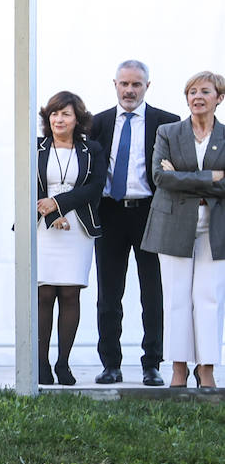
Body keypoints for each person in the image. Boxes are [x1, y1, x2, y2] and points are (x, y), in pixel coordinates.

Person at [89, 61, 179, 386]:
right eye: (124, 84)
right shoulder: (97, 123)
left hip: (150, 214)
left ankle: (152, 363)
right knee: (108, 294)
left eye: (136, 85)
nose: (129, 90)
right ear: (114, 84)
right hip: (110, 214)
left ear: (147, 86)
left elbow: (180, 171)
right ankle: (110, 364)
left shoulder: (167, 124)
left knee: (151, 293)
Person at [140, 71, 225, 390]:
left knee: (210, 298)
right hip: (173, 223)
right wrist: (211, 178)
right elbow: (161, 179)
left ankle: (206, 368)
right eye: (191, 91)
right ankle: (177, 367)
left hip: (216, 227)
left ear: (219, 97)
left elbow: (176, 179)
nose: (197, 96)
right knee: (176, 298)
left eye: (205, 91)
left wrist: (186, 177)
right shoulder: (168, 132)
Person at [34, 91, 107, 386]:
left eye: (64, 113)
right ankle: (40, 364)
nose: (58, 119)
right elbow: (28, 186)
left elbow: (95, 186)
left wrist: (60, 203)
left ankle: (63, 364)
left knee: (69, 294)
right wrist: (52, 213)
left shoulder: (92, 149)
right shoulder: (36, 148)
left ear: (77, 118)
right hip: (41, 227)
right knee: (43, 294)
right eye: (53, 113)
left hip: (78, 228)